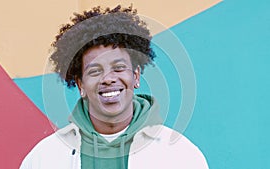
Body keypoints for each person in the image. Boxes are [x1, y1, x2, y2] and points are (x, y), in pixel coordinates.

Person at [20, 5, 209, 169]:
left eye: (118, 68)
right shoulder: (44, 158)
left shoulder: (180, 154)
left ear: (135, 76)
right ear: (80, 85)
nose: (108, 79)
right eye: (95, 71)